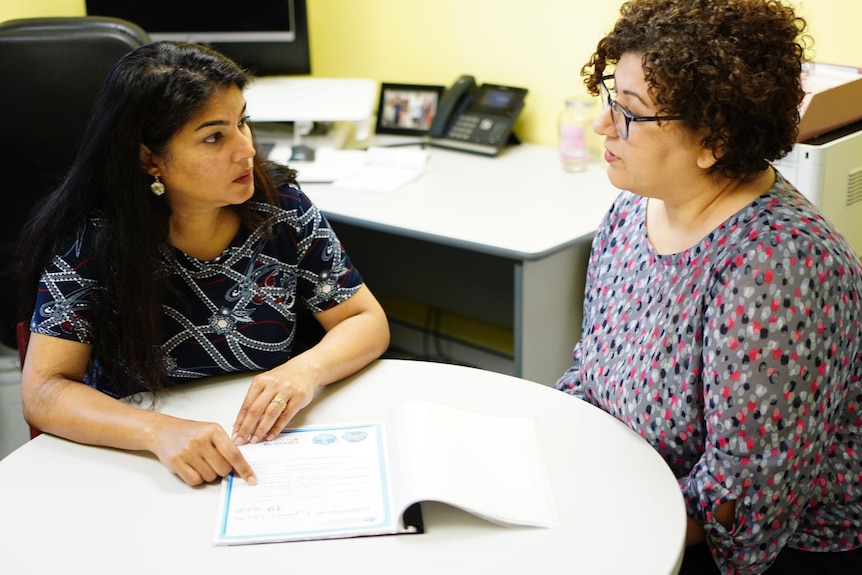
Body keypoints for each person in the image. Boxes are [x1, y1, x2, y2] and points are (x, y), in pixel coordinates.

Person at [554, 1, 862, 574]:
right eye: (609, 99)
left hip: (754, 549)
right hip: (633, 494)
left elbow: (742, 501)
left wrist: (596, 520)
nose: (602, 125)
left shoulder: (777, 268)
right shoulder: (631, 212)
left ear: (713, 139)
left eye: (629, 113)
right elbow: (591, 370)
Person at [15, 41, 390, 488]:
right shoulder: (95, 237)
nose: (246, 149)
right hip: (141, 462)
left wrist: (304, 370)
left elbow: (364, 318)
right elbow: (43, 391)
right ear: (150, 158)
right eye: (215, 137)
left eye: (242, 122)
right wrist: (156, 431)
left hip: (265, 447)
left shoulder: (280, 205)